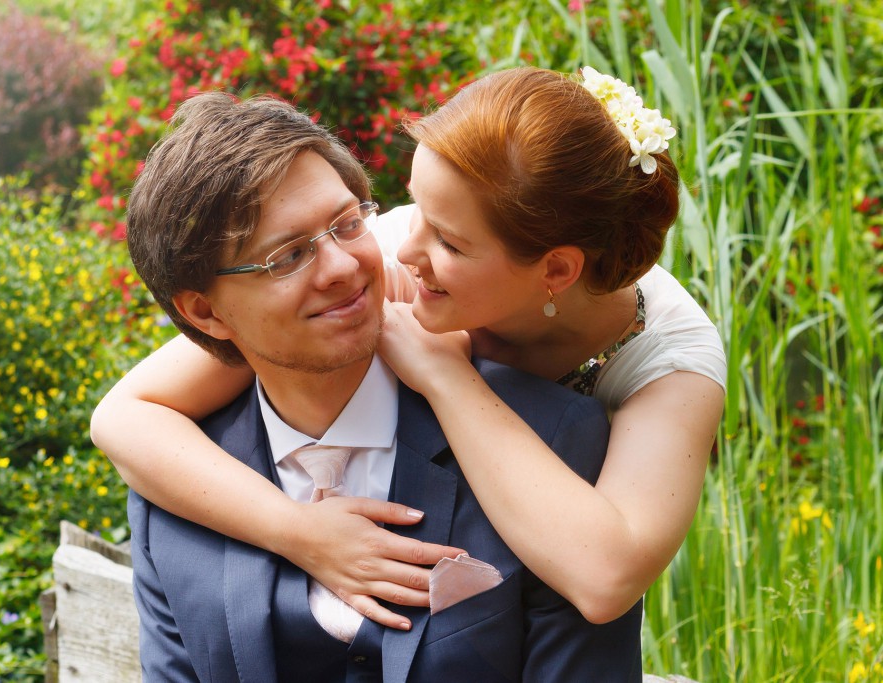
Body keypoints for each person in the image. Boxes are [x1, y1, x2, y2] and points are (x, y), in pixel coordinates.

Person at [92, 66, 726, 628]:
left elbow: (606, 577)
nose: (404, 246)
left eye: (448, 239)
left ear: (555, 272)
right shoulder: (382, 253)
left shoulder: (668, 360)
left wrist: (445, 378)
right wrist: (300, 533)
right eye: (412, 205)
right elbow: (125, 418)